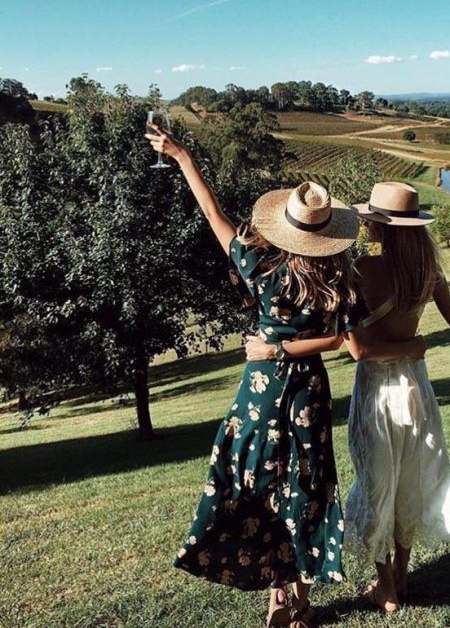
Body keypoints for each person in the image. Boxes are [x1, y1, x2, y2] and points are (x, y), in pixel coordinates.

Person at [145, 125, 425, 628]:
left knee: (256, 484)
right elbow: (342, 343)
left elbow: (212, 213)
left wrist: (183, 156)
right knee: (306, 489)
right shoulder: (340, 278)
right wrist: (293, 347)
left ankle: (278, 596)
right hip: (307, 394)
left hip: (260, 390)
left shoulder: (259, 266)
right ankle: (299, 600)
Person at [345, 181, 450, 613]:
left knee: (376, 483)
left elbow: (360, 349)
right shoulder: (428, 272)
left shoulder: (362, 271)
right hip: (415, 386)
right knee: (409, 479)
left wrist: (405, 347)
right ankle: (402, 577)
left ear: (381, 226)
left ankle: (386, 586)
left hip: (377, 388)